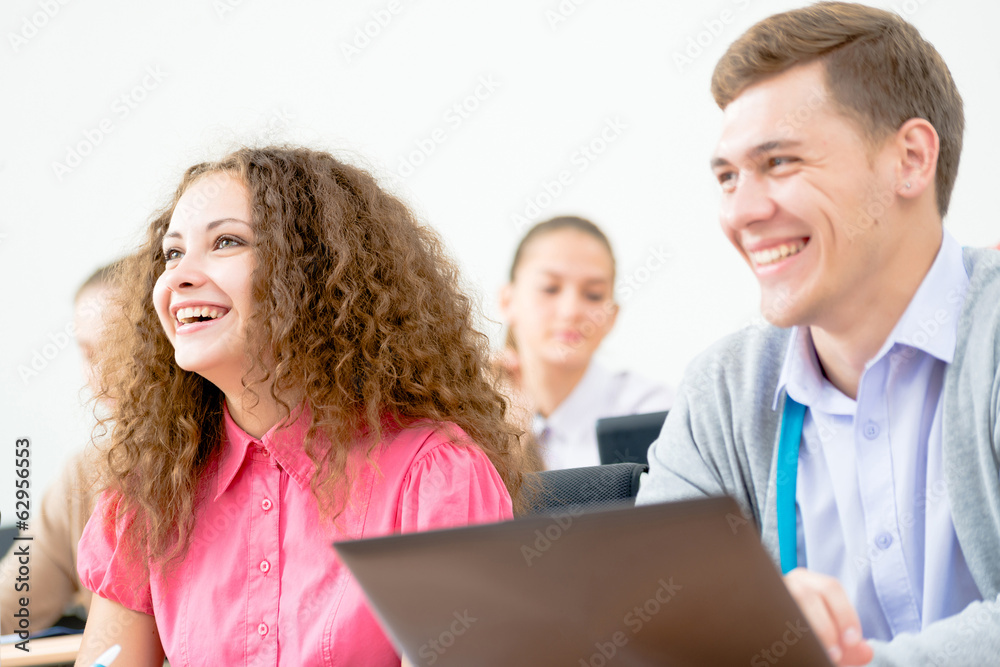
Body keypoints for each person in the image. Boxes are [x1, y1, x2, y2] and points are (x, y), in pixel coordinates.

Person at [637, 3, 999, 666]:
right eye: (727, 176)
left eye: (779, 162)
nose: (741, 211)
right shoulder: (723, 390)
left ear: (910, 159)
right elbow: (651, 625)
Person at [73, 146, 527, 666]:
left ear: (313, 274)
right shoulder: (150, 493)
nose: (177, 277)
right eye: (172, 253)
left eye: (226, 242)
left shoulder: (435, 475)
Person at [0, 261, 120, 634]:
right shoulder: (85, 475)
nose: (103, 375)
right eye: (89, 353)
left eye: (119, 347)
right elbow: (12, 604)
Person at [498, 216, 672, 470]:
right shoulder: (467, 423)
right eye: (550, 288)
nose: (571, 311)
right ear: (507, 301)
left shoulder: (654, 416)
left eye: (593, 295)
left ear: (612, 316)